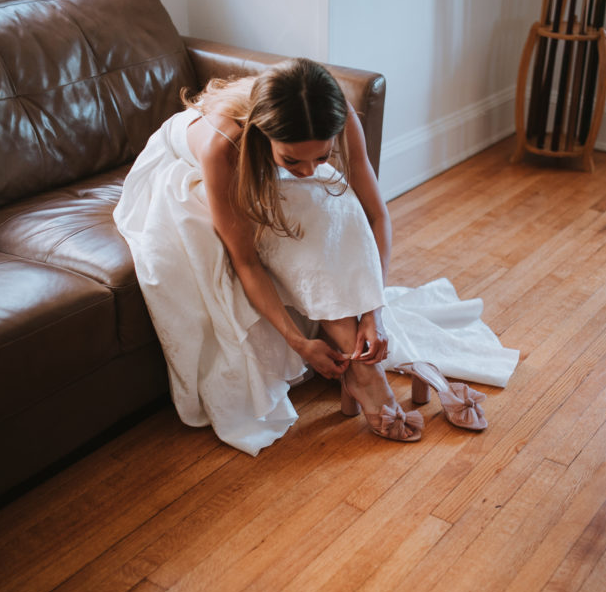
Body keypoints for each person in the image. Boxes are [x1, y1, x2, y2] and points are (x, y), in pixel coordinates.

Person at [115, 57, 517, 456]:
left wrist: (373, 311)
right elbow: (246, 261)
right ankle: (366, 371)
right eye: (293, 160)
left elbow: (376, 214)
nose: (308, 170)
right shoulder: (225, 145)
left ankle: (361, 368)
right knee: (295, 217)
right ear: (265, 135)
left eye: (321, 157)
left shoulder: (336, 114)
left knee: (336, 208)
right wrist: (297, 342)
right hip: (186, 169)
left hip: (259, 159)